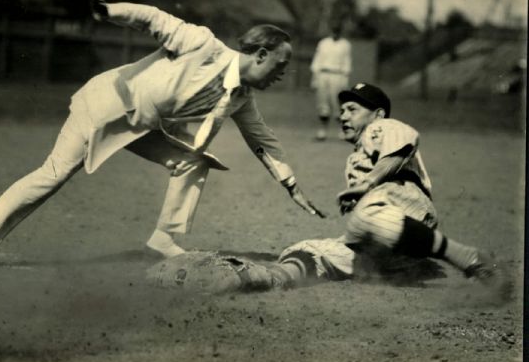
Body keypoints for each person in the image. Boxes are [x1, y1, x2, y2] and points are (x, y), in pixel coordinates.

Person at [0, 0, 325, 273]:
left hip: (142, 125)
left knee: (193, 161)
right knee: (52, 175)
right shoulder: (203, 45)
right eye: (281, 63)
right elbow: (153, 19)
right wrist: (109, 12)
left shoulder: (242, 97)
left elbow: (263, 141)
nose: (283, 73)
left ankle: (164, 239)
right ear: (260, 54)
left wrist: (291, 186)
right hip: (104, 106)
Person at [149, 83, 511, 300]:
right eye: (341, 110)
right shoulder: (357, 153)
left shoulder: (384, 127)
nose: (343, 115)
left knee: (368, 215)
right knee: (309, 250)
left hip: (406, 210)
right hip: (381, 245)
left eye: (352, 109)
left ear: (377, 112)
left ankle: (470, 258)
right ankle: (254, 277)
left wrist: (368, 185)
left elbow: (402, 149)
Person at [310, 23, 352, 141]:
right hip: (323, 74)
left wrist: (345, 79)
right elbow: (317, 60)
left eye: (337, 31)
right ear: (330, 31)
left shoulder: (345, 44)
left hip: (337, 75)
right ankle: (322, 131)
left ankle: (342, 131)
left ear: (340, 31)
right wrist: (314, 78)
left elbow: (346, 62)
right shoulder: (323, 43)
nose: (335, 33)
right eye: (334, 30)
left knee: (337, 103)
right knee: (322, 103)